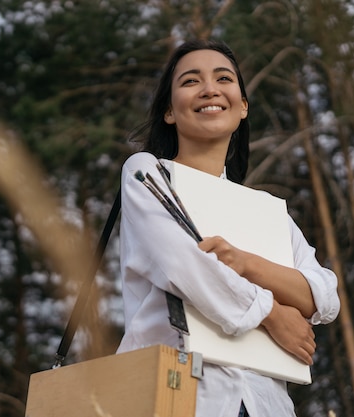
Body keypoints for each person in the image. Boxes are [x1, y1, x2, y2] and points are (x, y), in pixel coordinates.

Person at [117, 39, 340, 417]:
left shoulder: (267, 212)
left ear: (243, 106)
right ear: (169, 111)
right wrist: (273, 313)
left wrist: (247, 263)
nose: (209, 89)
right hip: (182, 396)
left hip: (266, 403)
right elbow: (185, 266)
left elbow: (323, 296)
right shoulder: (148, 173)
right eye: (190, 81)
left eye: (224, 78)